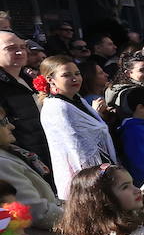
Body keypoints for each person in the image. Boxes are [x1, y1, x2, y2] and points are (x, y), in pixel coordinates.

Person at [33, 55, 114, 201]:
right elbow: (75, 148)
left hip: (101, 166)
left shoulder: (78, 99)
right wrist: (92, 178)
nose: (75, 79)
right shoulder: (57, 107)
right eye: (66, 75)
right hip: (85, 174)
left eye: (77, 74)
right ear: (50, 79)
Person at [0, 106, 61, 233]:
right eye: (4, 122)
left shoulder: (8, 154)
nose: (11, 126)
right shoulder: (2, 164)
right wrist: (79, 215)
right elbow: (37, 212)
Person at [0, 31, 50, 170]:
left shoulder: (30, 79)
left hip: (46, 154)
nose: (20, 52)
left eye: (22, 47)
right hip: (20, 163)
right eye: (11, 48)